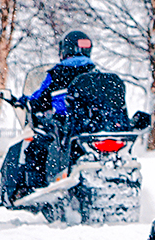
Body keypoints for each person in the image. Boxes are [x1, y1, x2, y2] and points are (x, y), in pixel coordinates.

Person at [9, 30, 145, 197]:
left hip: (67, 126)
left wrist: (24, 101)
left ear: (65, 50)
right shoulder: (96, 75)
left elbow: (38, 99)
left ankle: (32, 189)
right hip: (95, 128)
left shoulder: (56, 74)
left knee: (36, 148)